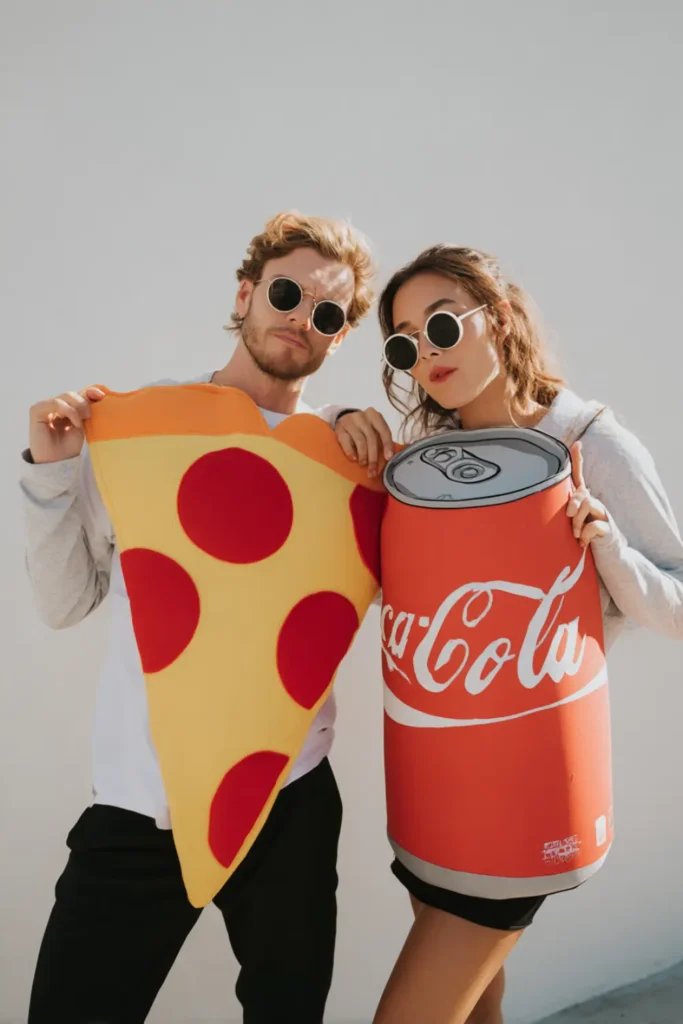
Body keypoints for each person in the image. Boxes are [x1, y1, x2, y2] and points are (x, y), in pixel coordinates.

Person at [20, 211, 380, 1024]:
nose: (300, 319)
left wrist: (364, 444)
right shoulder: (143, 430)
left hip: (288, 800)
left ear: (341, 334)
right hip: (139, 806)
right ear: (247, 291)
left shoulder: (349, 459)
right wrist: (54, 469)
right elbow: (64, 600)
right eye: (286, 294)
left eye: (327, 313)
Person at [335, 244, 683, 1024]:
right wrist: (342, 428)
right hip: (432, 793)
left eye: (441, 325)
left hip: (518, 801)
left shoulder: (590, 442)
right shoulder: (424, 458)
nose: (425, 353)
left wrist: (606, 550)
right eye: (403, 342)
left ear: (496, 316)